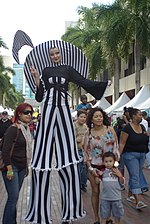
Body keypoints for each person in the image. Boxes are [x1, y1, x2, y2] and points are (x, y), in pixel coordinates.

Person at [24, 47, 109, 224]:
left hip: (63, 109)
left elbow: (83, 82)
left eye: (57, 53)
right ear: (49, 57)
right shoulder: (46, 71)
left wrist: (102, 84)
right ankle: (40, 215)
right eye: (52, 54)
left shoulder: (68, 69)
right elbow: (40, 97)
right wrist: (36, 77)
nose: (55, 56)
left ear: (60, 55)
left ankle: (69, 214)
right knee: (42, 159)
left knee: (68, 157)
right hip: (47, 109)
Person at [84, 107, 120, 224]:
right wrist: (90, 167)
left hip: (109, 166)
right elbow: (86, 151)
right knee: (95, 191)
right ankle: (96, 217)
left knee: (108, 191)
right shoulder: (88, 132)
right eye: (96, 116)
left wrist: (115, 165)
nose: (99, 118)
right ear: (92, 119)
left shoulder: (110, 129)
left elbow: (116, 148)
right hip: (94, 166)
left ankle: (107, 217)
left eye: (100, 116)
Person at [1, 103, 33, 224]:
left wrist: (26, 166)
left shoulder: (26, 129)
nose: (29, 115)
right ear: (19, 114)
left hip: (21, 168)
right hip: (11, 167)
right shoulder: (14, 128)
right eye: (26, 112)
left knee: (14, 198)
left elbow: (25, 151)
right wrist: (9, 169)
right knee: (12, 198)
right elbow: (5, 150)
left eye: (30, 113)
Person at [119, 108, 149, 209]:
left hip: (141, 154)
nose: (141, 116)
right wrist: (118, 156)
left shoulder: (142, 127)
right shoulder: (127, 128)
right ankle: (138, 201)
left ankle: (129, 195)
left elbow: (144, 137)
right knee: (135, 176)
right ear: (133, 116)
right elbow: (122, 143)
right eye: (139, 115)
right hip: (130, 155)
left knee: (135, 175)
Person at [99, 152, 124, 224]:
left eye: (110, 161)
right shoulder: (102, 172)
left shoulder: (117, 171)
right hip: (105, 198)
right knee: (104, 215)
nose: (108, 163)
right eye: (106, 161)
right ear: (103, 162)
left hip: (116, 197)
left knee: (117, 216)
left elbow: (122, 182)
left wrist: (120, 176)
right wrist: (97, 175)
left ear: (114, 162)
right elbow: (97, 181)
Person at [74, 109, 88, 192]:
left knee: (84, 167)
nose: (83, 119)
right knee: (80, 167)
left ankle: (83, 183)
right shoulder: (74, 126)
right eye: (81, 117)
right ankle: (80, 183)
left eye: (84, 117)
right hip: (76, 150)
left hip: (84, 150)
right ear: (77, 117)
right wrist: (77, 139)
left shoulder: (85, 127)